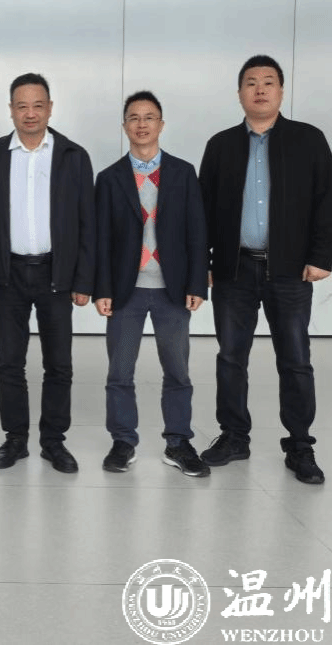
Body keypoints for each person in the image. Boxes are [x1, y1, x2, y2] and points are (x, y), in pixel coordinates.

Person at [198, 55, 332, 485]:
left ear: (281, 91)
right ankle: (234, 436)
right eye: (251, 82)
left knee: (295, 360)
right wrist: (203, 263)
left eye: (268, 82)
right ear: (239, 93)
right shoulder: (221, 145)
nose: (259, 89)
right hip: (233, 270)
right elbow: (202, 211)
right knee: (230, 358)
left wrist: (321, 256)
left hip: (290, 271)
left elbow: (327, 201)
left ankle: (299, 445)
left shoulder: (308, 140)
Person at [0, 73, 94, 473]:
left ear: (50, 108)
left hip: (55, 273)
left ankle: (53, 441)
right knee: (10, 363)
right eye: (22, 106)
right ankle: (15, 439)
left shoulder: (73, 156)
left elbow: (87, 222)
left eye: (38, 105)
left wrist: (84, 279)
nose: (30, 113)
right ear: (11, 110)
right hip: (9, 273)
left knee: (58, 363)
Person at [94, 90, 210, 477]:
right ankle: (122, 442)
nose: (141, 124)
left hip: (172, 290)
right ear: (124, 126)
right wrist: (102, 289)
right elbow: (101, 240)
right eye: (134, 117)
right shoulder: (109, 178)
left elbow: (197, 232)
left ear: (161, 124)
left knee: (177, 371)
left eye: (149, 117)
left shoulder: (183, 173)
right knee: (119, 372)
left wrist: (197, 283)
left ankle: (178, 443)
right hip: (125, 292)